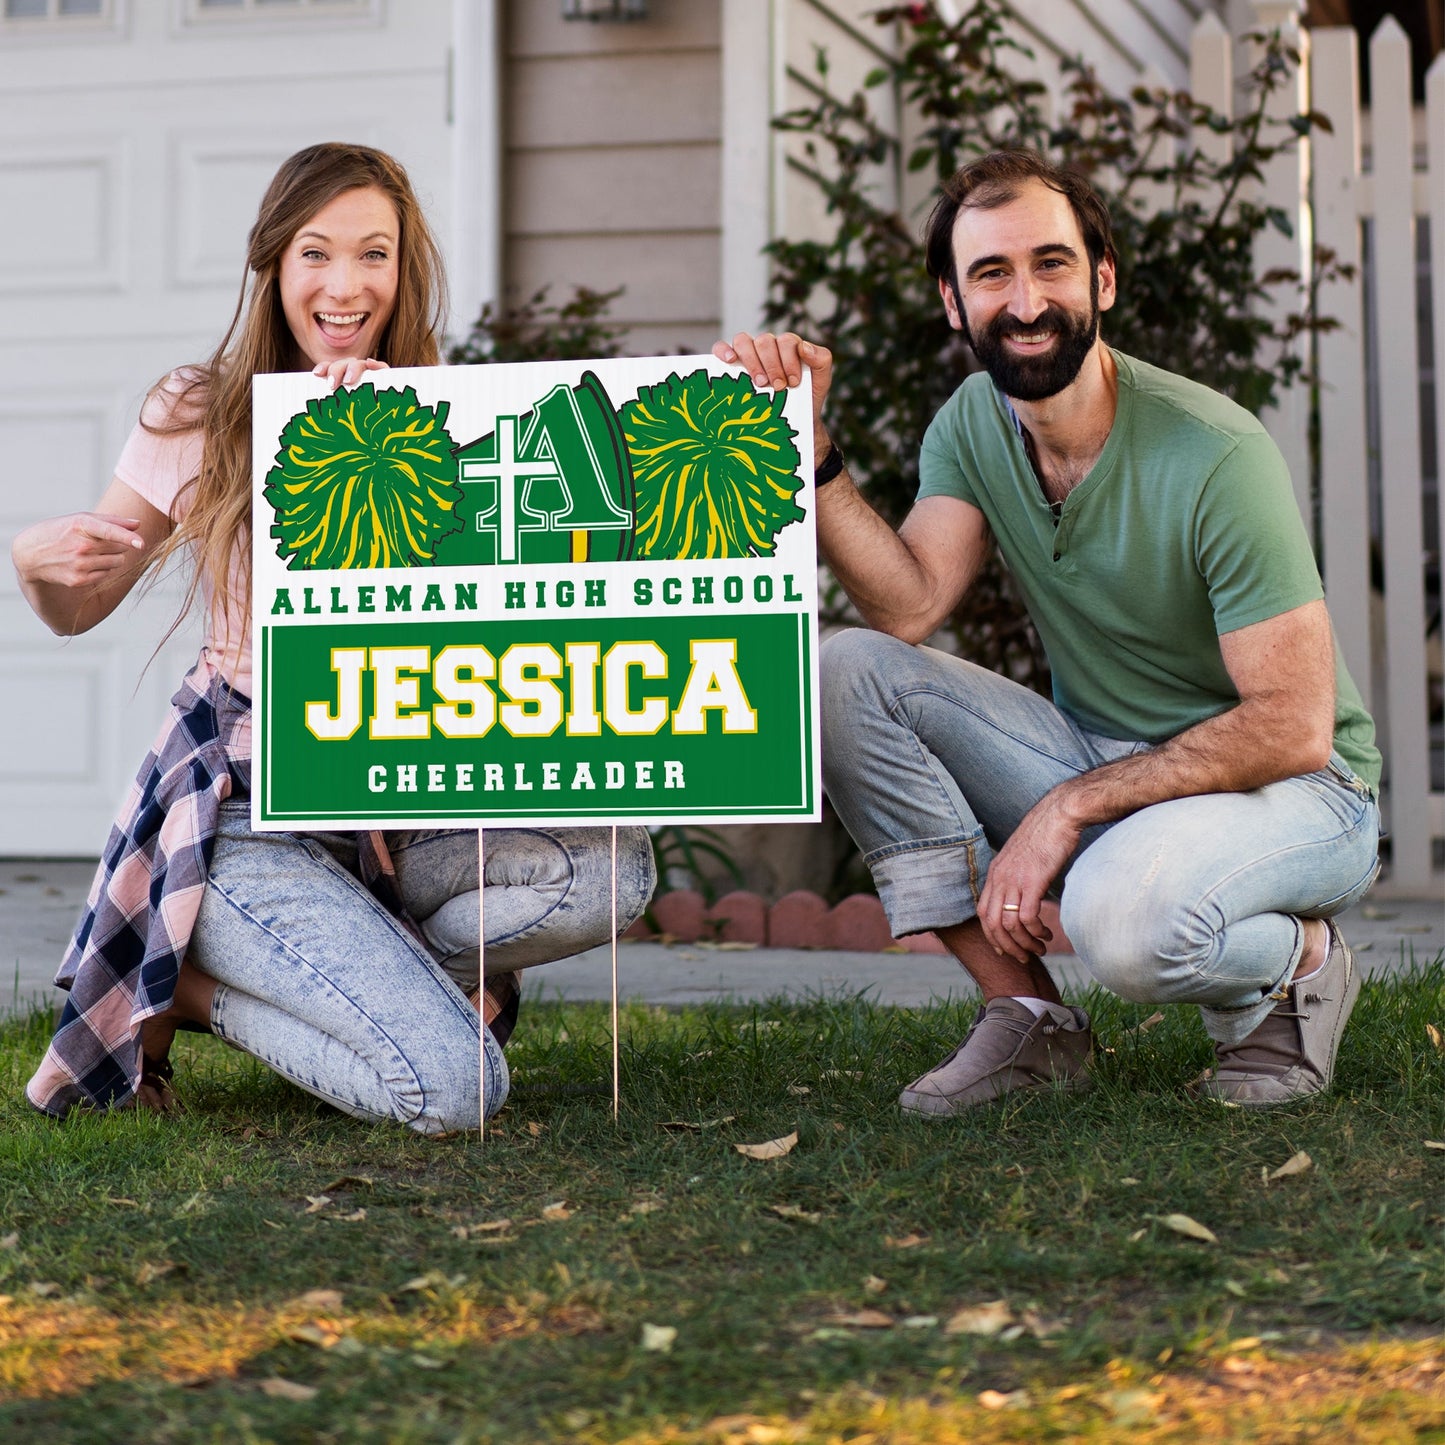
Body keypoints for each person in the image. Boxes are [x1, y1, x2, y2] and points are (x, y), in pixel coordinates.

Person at [717, 149, 1380, 1116]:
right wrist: (811, 451)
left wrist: (1064, 810)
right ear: (953, 302)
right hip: (1112, 761)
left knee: (1125, 927)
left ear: (1101, 278)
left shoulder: (1214, 451)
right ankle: (1027, 1014)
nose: (1025, 300)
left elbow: (1291, 725)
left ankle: (1304, 959)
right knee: (845, 671)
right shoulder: (973, 426)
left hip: (1300, 791)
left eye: (1051, 264)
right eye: (991, 273)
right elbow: (905, 607)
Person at [14, 143, 654, 1131]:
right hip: (252, 814)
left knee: (617, 867)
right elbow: (80, 604)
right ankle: (186, 981)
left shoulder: (458, 418)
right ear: (274, 267)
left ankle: (337, 966)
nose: (344, 284)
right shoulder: (201, 410)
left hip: (398, 810)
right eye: (316, 254)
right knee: (456, 1085)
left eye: (374, 254)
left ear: (405, 271)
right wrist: (35, 571)